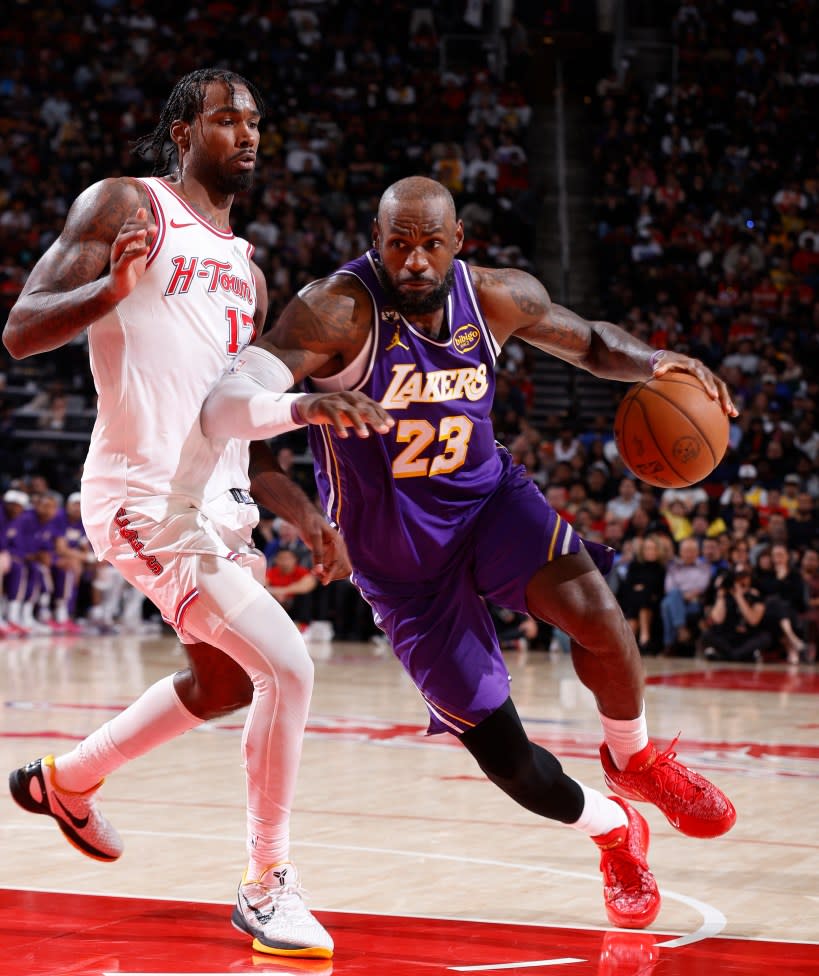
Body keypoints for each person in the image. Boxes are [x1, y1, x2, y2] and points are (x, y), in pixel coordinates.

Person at [202, 176, 739, 930]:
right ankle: (615, 830)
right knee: (512, 764)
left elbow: (588, 342)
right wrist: (303, 513)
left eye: (431, 243)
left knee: (600, 616)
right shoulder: (335, 310)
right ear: (376, 241)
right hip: (397, 563)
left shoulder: (494, 296)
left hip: (488, 505)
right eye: (399, 244)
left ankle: (636, 759)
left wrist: (656, 363)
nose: (415, 260)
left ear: (458, 241)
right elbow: (234, 423)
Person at [2, 68, 393, 960]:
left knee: (224, 683)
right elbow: (20, 328)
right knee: (287, 666)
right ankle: (266, 883)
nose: (246, 134)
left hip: (219, 502)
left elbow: (232, 414)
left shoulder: (248, 274)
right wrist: (107, 292)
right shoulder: (125, 205)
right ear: (183, 132)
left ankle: (67, 780)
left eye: (254, 121)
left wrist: (299, 509)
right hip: (141, 496)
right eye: (226, 119)